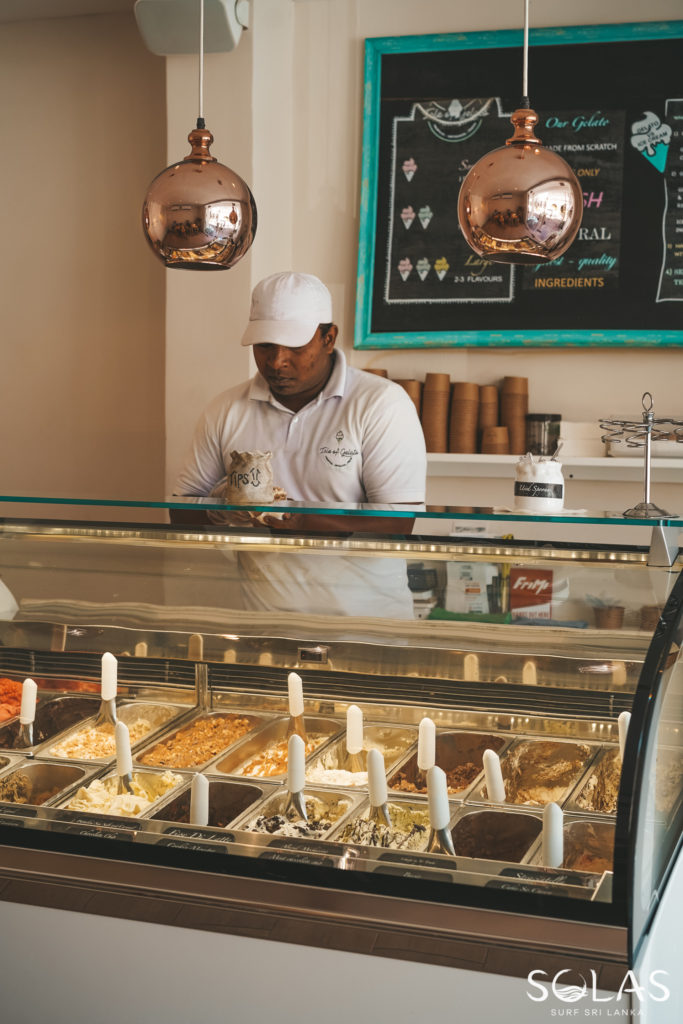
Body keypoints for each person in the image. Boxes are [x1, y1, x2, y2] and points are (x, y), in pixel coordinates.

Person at [172, 271, 427, 617]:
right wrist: (225, 504)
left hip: (368, 632)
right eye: (264, 346)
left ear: (328, 337)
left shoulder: (380, 404)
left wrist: (305, 521)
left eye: (294, 346)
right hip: (265, 631)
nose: (276, 362)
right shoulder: (226, 409)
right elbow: (180, 513)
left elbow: (399, 522)